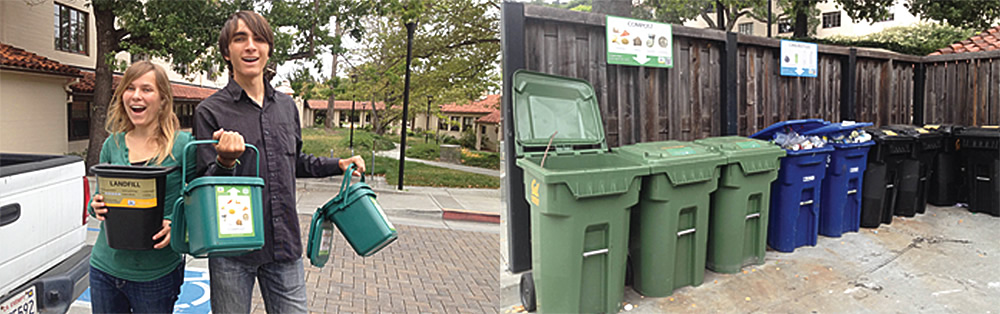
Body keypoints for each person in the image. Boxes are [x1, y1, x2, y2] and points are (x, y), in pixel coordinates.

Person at [193, 10, 366, 313]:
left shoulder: (286, 106)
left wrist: (337, 164)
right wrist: (225, 161)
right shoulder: (209, 112)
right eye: (240, 39)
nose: (250, 46)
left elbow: (294, 161)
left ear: (269, 49)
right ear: (226, 52)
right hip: (231, 250)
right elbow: (202, 183)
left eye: (259, 39)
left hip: (284, 246)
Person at [87, 60, 203, 313]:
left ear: (162, 99)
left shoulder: (184, 147)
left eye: (146, 89)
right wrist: (94, 206)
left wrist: (176, 223)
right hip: (104, 268)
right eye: (130, 88)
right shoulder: (112, 144)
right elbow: (96, 200)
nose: (136, 96)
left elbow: (198, 203)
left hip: (155, 274)